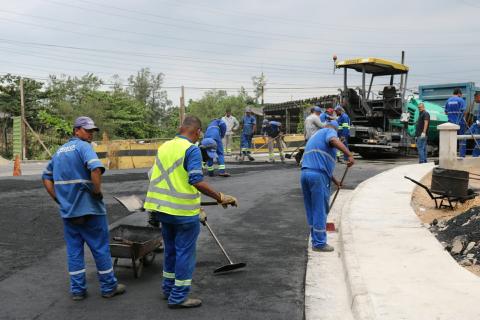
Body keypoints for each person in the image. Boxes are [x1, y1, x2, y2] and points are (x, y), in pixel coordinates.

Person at [144, 116, 238, 309]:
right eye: (199, 134)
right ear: (197, 132)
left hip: (163, 210)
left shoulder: (165, 147)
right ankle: (178, 297)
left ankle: (168, 288)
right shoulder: (191, 149)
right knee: (185, 253)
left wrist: (199, 207)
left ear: (181, 128)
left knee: (170, 250)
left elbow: (155, 175)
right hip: (183, 213)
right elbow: (196, 180)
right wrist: (220, 196)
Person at [42, 116, 125, 301]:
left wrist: (57, 198)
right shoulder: (83, 147)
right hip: (90, 211)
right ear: (76, 130)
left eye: (92, 131)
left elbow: (46, 177)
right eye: (87, 130)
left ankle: (78, 290)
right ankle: (108, 287)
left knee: (74, 251)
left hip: (69, 211)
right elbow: (95, 169)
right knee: (100, 248)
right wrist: (96, 192)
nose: (90, 134)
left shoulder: (60, 152)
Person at [301, 120, 354, 252]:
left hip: (306, 174)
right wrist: (349, 155)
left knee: (312, 208)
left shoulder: (315, 137)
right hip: (318, 177)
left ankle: (315, 239)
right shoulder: (329, 131)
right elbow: (333, 140)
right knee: (320, 209)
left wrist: (335, 181)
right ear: (335, 130)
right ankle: (319, 243)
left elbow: (319, 162)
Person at [445, 88, 467, 157]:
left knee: (451, 139)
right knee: (462, 139)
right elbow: (465, 111)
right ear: (459, 94)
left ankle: (451, 155)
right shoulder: (461, 100)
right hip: (460, 122)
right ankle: (462, 155)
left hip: (450, 123)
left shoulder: (448, 100)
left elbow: (446, 112)